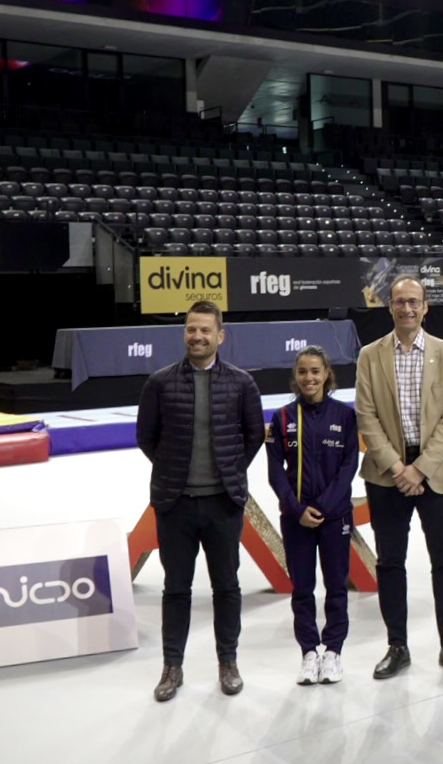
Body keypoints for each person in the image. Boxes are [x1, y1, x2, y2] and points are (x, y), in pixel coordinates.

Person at [136, 300, 265, 703]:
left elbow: (254, 435)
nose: (197, 336)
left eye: (205, 330)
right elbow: (147, 437)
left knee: (227, 587)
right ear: (184, 333)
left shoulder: (242, 383)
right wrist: (175, 469)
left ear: (220, 335)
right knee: (176, 588)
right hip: (175, 506)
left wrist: (228, 471)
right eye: (192, 329)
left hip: (223, 505)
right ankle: (172, 666)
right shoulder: (159, 382)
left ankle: (228, 662)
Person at [355, 274, 443, 679]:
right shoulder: (370, 355)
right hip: (387, 474)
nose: (407, 308)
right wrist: (397, 467)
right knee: (391, 562)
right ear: (389, 306)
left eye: (414, 302)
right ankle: (397, 646)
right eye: (400, 301)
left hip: (437, 472)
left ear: (425, 307)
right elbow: (366, 416)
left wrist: (420, 468)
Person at [265, 346, 359, 687]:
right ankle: (308, 652)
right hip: (296, 519)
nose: (309, 378)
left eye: (316, 371)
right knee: (302, 587)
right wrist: (298, 509)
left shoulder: (345, 416)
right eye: (303, 371)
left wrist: (327, 506)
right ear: (296, 376)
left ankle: (333, 651)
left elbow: (350, 466)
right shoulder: (283, 418)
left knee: (337, 586)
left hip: (335, 517)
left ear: (327, 374)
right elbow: (275, 472)